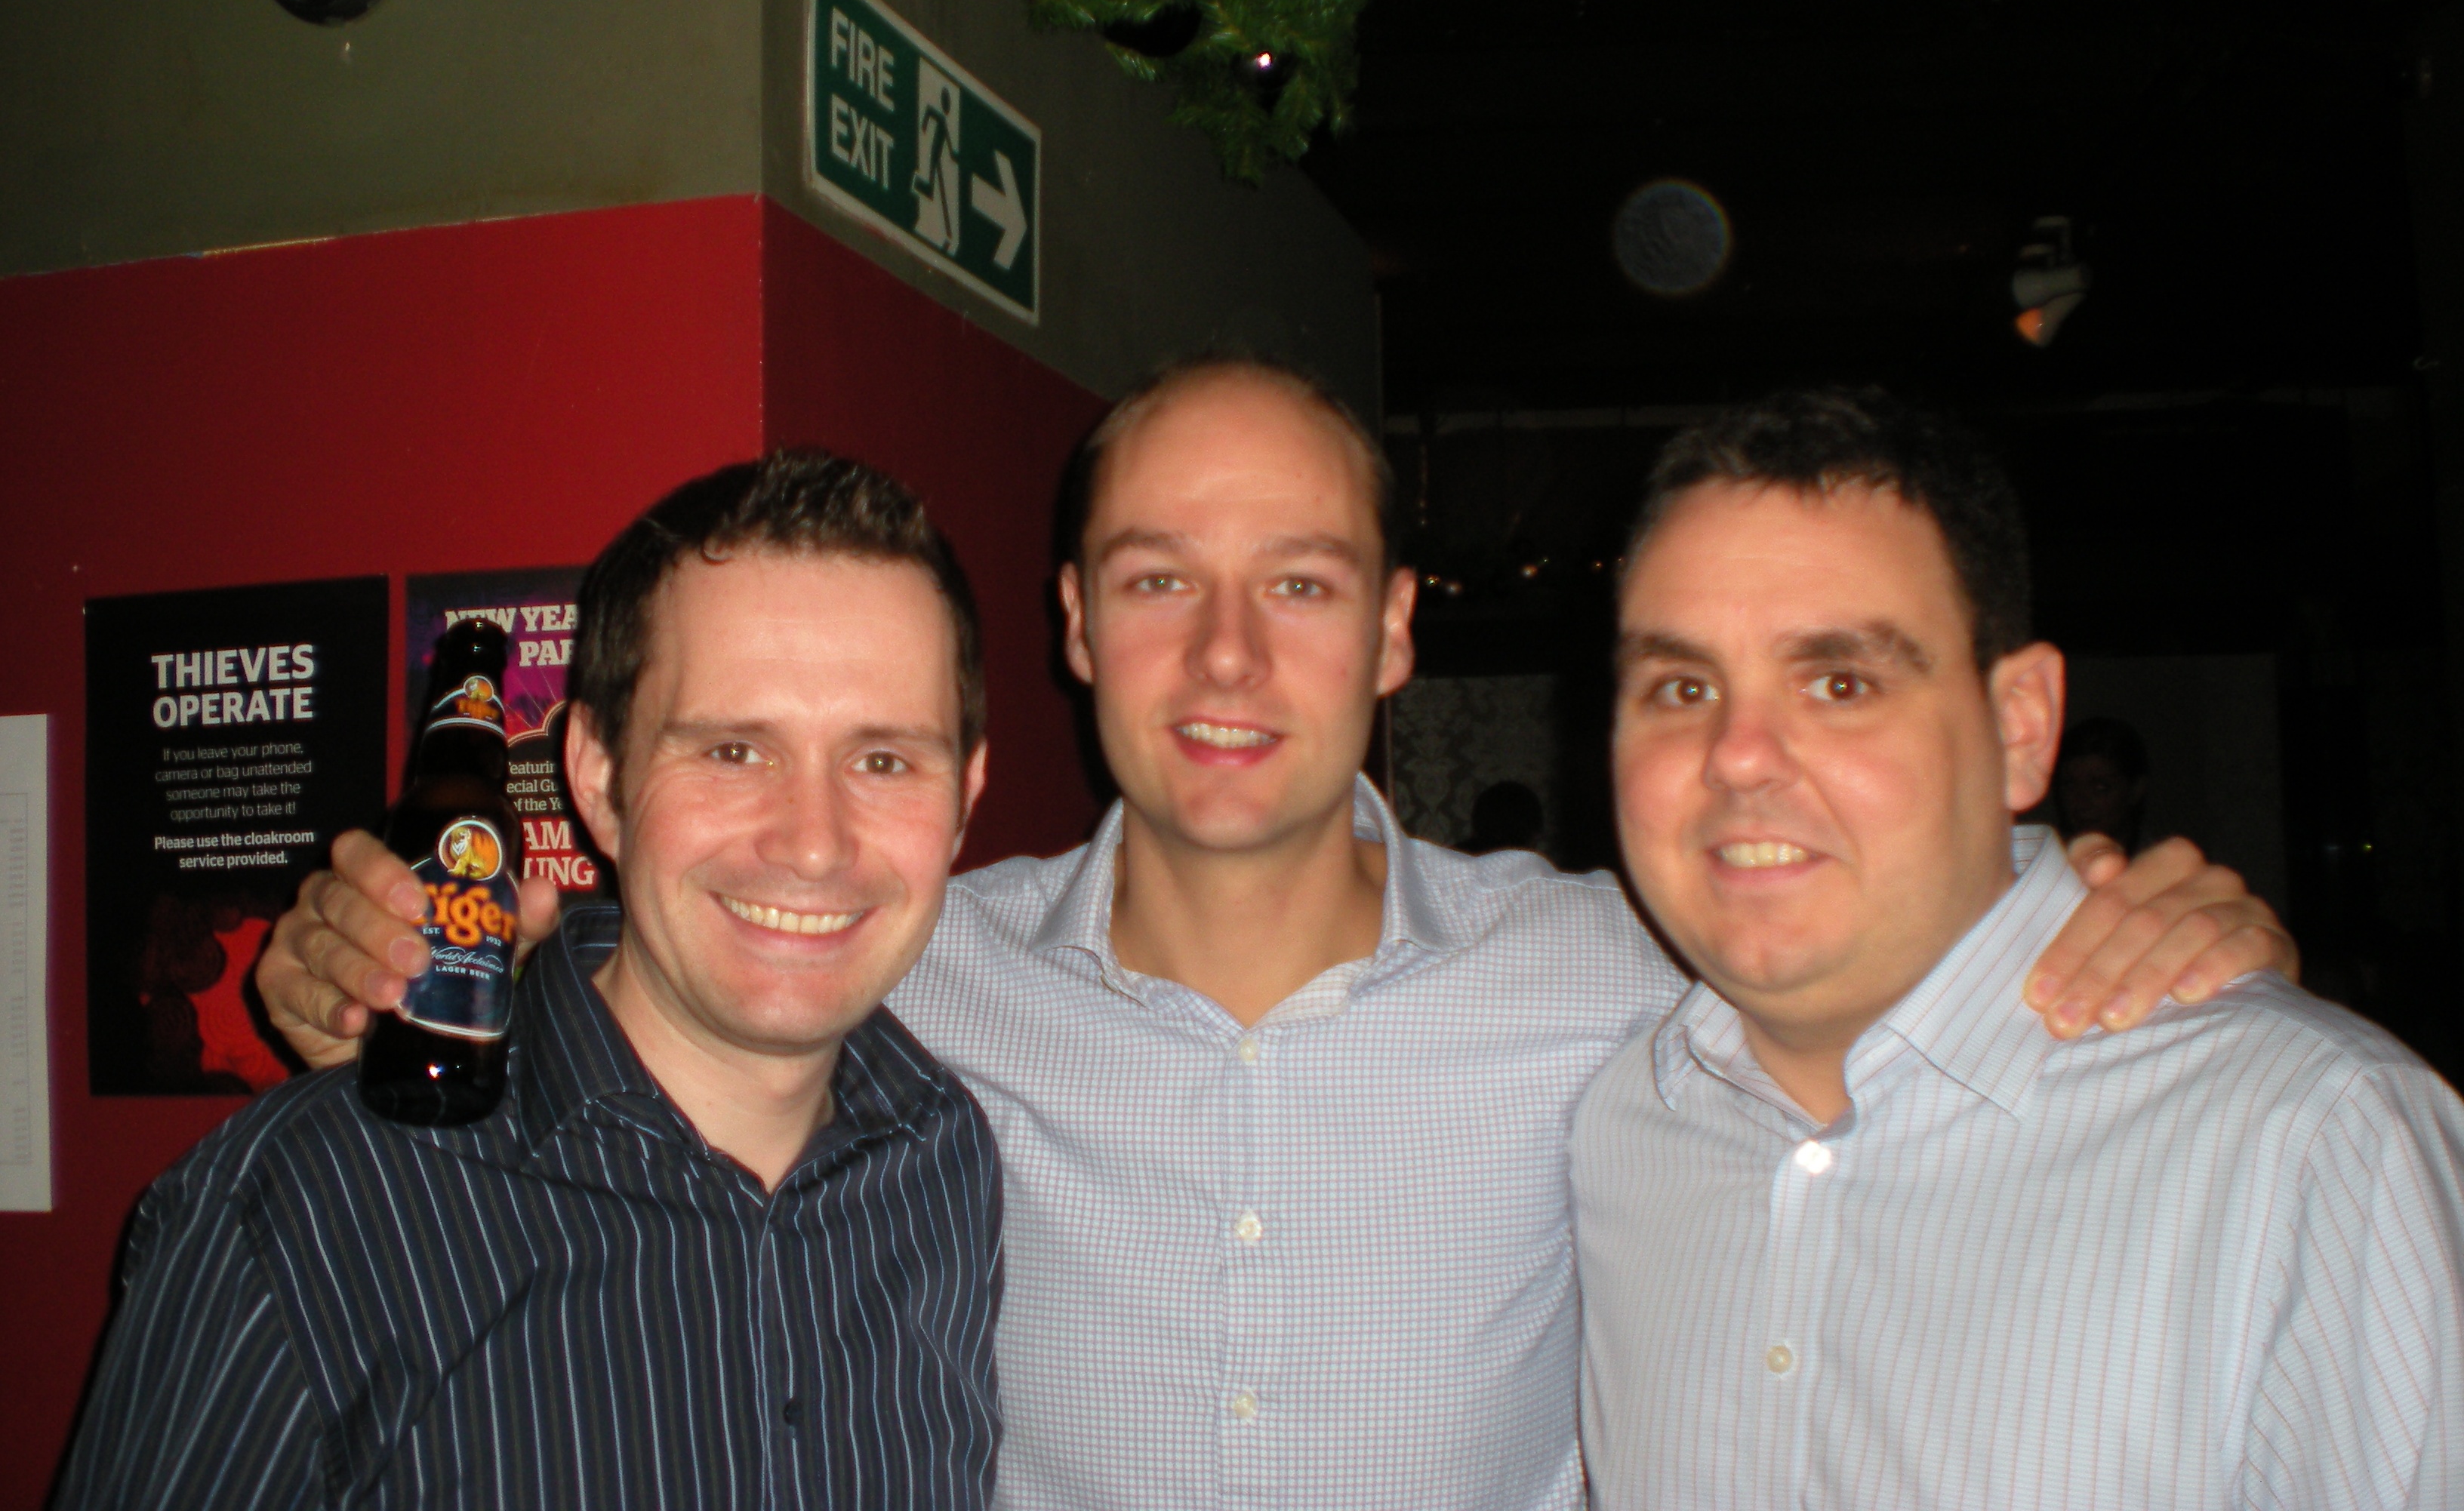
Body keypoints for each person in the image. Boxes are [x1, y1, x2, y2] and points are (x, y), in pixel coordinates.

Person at [258, 359, 2297, 1510]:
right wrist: (374, 956)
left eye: (1303, 585)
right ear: (1074, 625)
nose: (1227, 655)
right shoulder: (903, 963)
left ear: (1397, 630)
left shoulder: (1628, 970)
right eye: (1160, 580)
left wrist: (2159, 926)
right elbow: (648, 985)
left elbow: (1898, 958)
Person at [1573, 386, 2464, 1509]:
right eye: (1682, 686)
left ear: (2022, 725)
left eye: (1841, 684)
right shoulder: (1609, 1122)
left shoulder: (2314, 1143)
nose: (1738, 756)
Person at [58, 453, 1004, 1509]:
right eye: (733, 751)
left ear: (965, 796)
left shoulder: (948, 1167)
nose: (814, 843)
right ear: (597, 778)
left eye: (884, 761)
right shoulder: (309, 1207)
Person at [2052, 712, 2152, 851]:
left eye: (2100, 788)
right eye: (2069, 785)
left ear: (2135, 790)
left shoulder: (2161, 861)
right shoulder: (2049, 858)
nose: (2081, 803)